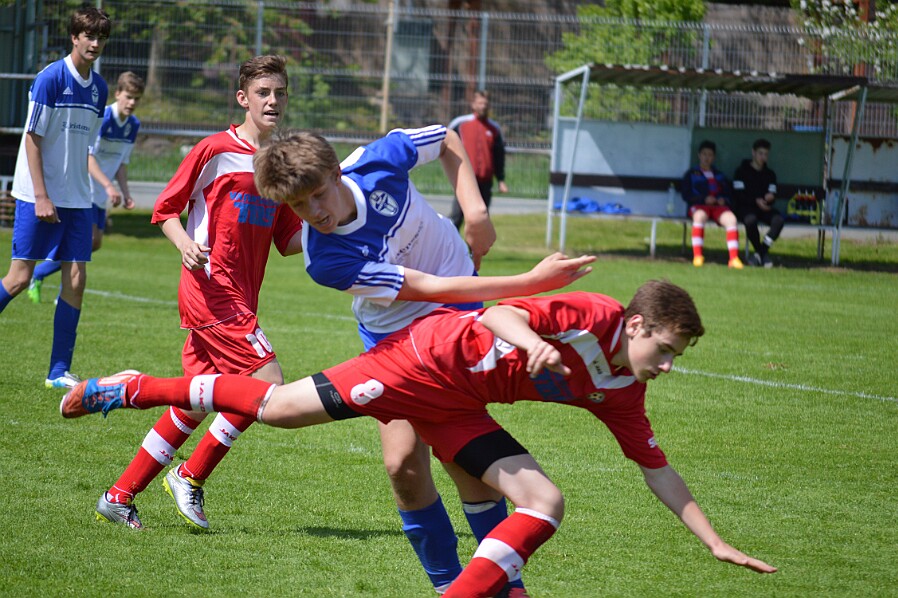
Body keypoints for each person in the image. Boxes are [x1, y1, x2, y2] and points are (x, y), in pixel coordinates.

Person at [62, 280, 778, 596]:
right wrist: (532, 342)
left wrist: (713, 541)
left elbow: (656, 468)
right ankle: (134, 388)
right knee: (275, 409)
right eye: (667, 349)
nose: (668, 365)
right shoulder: (593, 315)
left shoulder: (625, 390)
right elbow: (496, 314)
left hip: (459, 405)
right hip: (419, 363)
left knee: (544, 502)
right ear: (640, 325)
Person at [252, 126, 592, 596]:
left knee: (461, 459)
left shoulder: (379, 160)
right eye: (296, 206)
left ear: (336, 172)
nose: (314, 213)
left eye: (317, 195)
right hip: (395, 335)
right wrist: (529, 282)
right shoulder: (325, 258)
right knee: (403, 468)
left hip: (456, 313)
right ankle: (456, 585)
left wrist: (476, 213)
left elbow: (448, 139)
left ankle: (497, 585)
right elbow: (428, 287)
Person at [91, 55, 304, 531]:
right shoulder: (215, 149)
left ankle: (118, 496)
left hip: (241, 296)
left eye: (280, 92)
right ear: (243, 98)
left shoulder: (279, 163)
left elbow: (289, 240)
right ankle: (190, 475)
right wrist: (186, 244)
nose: (273, 100)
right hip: (211, 289)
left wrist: (335, 226)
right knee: (267, 384)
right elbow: (166, 209)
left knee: (193, 401)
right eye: (263, 92)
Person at [0, 5, 112, 388]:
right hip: (37, 196)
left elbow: (85, 148)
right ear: (74, 37)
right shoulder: (50, 78)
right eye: (89, 36)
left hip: (77, 200)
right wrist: (42, 196)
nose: (95, 43)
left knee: (76, 280)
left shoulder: (100, 89)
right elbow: (32, 139)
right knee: (19, 279)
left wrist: (95, 192)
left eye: (101, 37)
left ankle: (58, 371)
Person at [27, 71, 145, 303]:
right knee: (84, 244)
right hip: (85, 189)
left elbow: (122, 162)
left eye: (137, 99)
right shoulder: (105, 117)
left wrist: (126, 192)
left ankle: (40, 273)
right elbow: (87, 157)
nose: (132, 103)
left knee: (94, 244)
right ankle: (59, 288)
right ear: (118, 94)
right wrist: (108, 186)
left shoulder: (133, 125)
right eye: (128, 96)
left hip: (101, 193)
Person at [447, 90, 508, 230]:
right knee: (457, 215)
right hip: (466, 180)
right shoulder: (460, 124)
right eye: (480, 103)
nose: (483, 106)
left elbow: (499, 156)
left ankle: (473, 245)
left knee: (481, 219)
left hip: (485, 181)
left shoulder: (494, 128)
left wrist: (501, 180)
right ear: (473, 105)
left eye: (485, 104)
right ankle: (447, 242)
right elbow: (446, 146)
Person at [681, 140, 743, 269]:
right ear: (699, 155)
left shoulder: (720, 175)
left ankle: (733, 258)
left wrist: (723, 200)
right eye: (704, 154)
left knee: (731, 219)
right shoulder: (691, 174)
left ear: (714, 157)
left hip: (718, 207)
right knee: (699, 216)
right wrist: (704, 199)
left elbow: (729, 194)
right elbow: (686, 195)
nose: (707, 158)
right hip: (699, 206)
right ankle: (698, 256)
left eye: (710, 155)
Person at [732, 139, 784, 268]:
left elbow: (773, 193)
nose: (763, 157)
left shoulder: (770, 174)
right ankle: (762, 253)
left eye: (766, 154)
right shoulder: (741, 172)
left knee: (778, 220)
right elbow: (739, 195)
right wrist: (756, 201)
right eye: (760, 153)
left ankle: (760, 253)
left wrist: (770, 198)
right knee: (750, 221)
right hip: (746, 207)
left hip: (764, 209)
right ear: (753, 153)